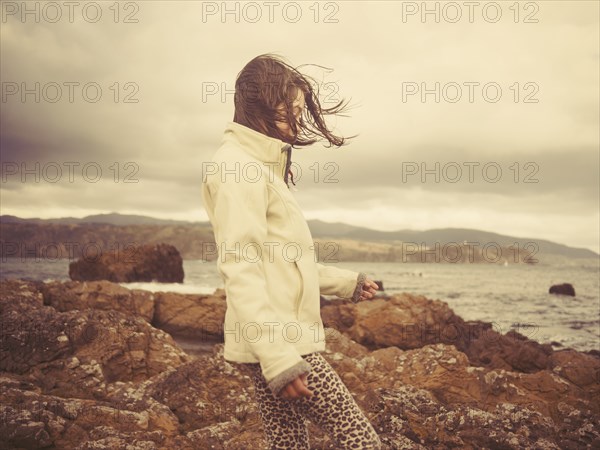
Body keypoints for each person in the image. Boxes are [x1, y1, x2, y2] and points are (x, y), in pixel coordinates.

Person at [201, 53, 382, 449]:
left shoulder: (262, 167)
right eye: (292, 109)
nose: (298, 119)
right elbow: (241, 267)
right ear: (263, 103)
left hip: (274, 339)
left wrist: (346, 283)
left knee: (288, 443)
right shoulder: (239, 169)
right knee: (361, 441)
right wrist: (279, 358)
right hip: (280, 340)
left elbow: (284, 260)